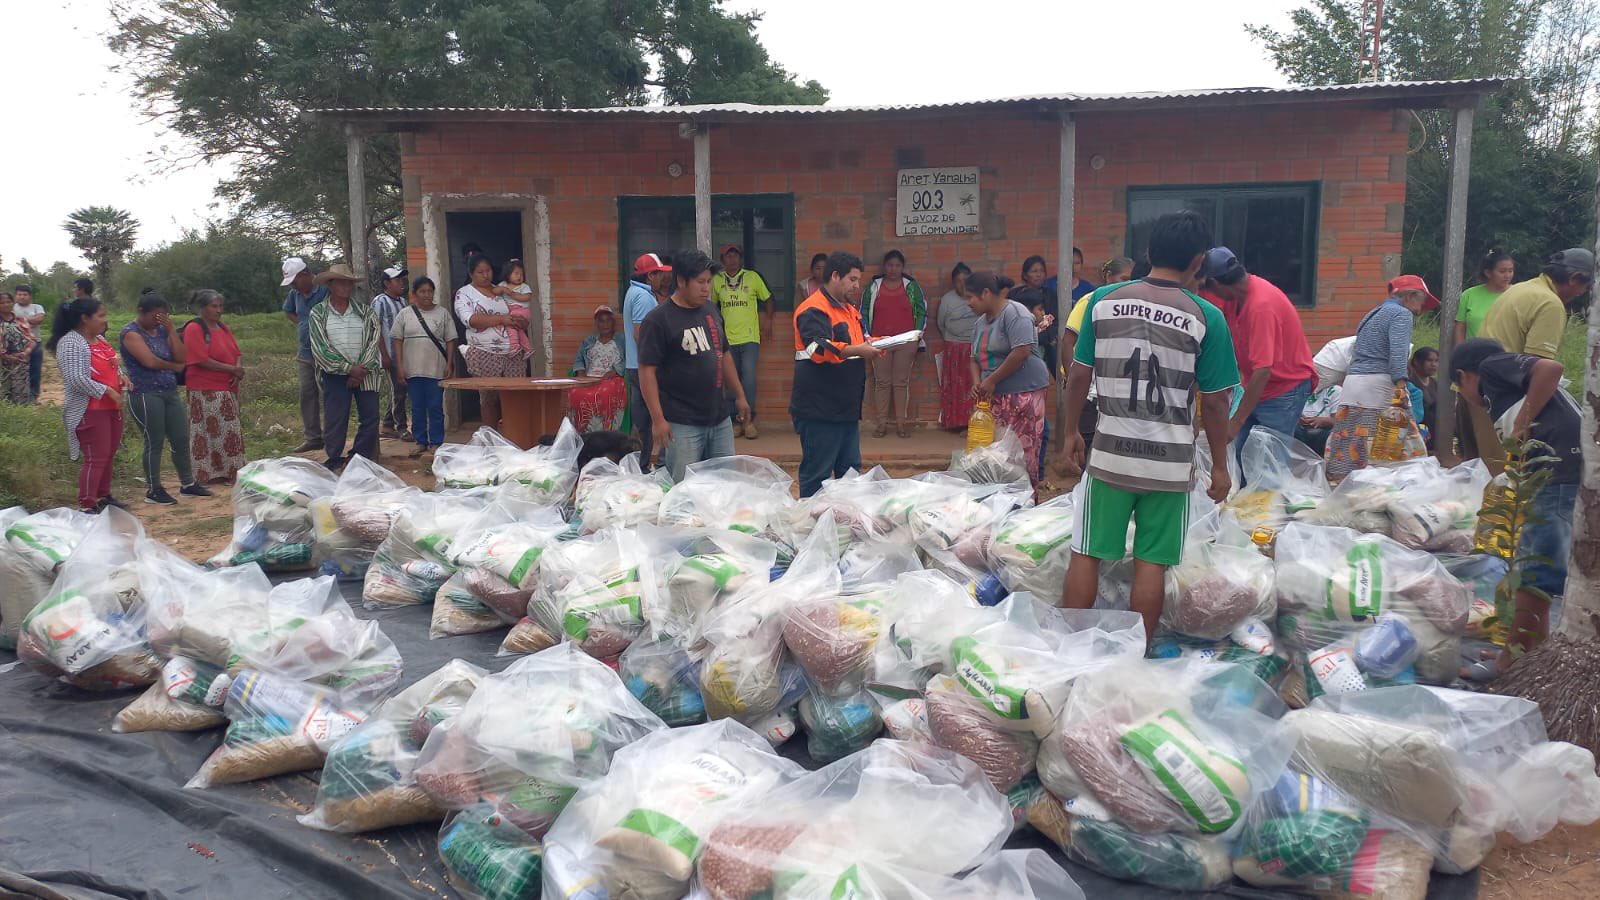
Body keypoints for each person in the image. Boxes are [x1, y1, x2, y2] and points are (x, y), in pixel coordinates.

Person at [1059, 210, 1239, 643]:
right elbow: (1214, 402)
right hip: (1169, 465)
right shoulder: (1206, 317)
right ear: (1198, 261)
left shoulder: (1103, 300)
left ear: (1149, 251)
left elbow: (1078, 375)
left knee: (1086, 553)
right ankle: (1135, 652)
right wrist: (1219, 465)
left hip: (1109, 455)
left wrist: (1068, 434)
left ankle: (1063, 647)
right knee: (1151, 564)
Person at [1450, 337, 1583, 682]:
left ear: (1466, 376)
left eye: (1458, 386)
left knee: (1534, 571)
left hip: (1559, 474)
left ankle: (1510, 662)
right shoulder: (1506, 388)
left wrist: (1523, 421)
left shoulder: (1492, 368)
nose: (1465, 396)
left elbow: (1551, 367)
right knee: (1535, 565)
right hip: (1558, 474)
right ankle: (1528, 650)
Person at [637, 249, 750, 482]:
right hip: (682, 423)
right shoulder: (658, 320)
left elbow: (724, 354)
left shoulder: (711, 310)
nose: (706, 288)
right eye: (700, 282)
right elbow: (647, 371)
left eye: (709, 282)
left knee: (724, 484)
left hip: (719, 419)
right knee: (684, 490)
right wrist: (658, 420)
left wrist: (739, 395)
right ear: (681, 281)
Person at [1197, 247, 1317, 465]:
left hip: (1283, 389)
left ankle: (1269, 498)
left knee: (1268, 462)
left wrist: (1236, 421)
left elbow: (1263, 370)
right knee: (1243, 456)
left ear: (1215, 284)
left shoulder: (1261, 306)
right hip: (1255, 386)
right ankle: (1246, 498)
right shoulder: (1236, 297)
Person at [1324, 275, 1437, 480]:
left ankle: (1342, 485)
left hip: (1354, 384)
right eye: (1421, 302)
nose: (1420, 310)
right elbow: (1398, 353)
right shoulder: (1401, 314)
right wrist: (1401, 386)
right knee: (1388, 445)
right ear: (1411, 296)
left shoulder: (1372, 313)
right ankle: (1390, 488)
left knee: (1351, 442)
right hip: (1378, 385)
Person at [792, 251, 879, 498]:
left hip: (846, 408)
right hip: (819, 409)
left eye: (858, 280)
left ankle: (845, 524)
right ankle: (811, 528)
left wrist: (881, 344)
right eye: (852, 279)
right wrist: (859, 349)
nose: (856, 285)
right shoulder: (812, 309)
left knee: (850, 472)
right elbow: (817, 348)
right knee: (817, 475)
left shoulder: (850, 310)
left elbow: (860, 342)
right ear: (835, 276)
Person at [967, 271, 1054, 490]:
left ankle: (1022, 509)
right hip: (994, 397)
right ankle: (998, 506)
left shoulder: (1016, 314)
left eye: (971, 297)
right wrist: (978, 383)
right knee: (993, 458)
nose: (968, 303)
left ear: (986, 293)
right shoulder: (979, 323)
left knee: (1021, 458)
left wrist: (992, 380)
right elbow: (974, 358)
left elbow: (1021, 352)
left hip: (1023, 395)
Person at [120, 291, 209, 503]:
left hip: (168, 391)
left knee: (180, 437)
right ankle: (154, 488)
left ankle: (187, 483)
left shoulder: (162, 331)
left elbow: (182, 357)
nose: (158, 320)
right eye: (155, 316)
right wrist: (173, 366)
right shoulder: (130, 333)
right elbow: (149, 361)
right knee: (154, 440)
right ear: (142, 312)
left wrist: (170, 331)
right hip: (145, 393)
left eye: (163, 316)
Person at [50, 297, 126, 512]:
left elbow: (112, 363)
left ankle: (104, 496)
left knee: (108, 453)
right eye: (100, 316)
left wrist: (121, 377)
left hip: (111, 407)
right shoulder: (70, 343)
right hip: (89, 410)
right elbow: (75, 379)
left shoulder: (100, 339)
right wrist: (108, 390)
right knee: (96, 457)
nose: (105, 320)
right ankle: (87, 503)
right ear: (85, 318)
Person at [310, 264, 383, 470]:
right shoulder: (319, 313)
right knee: (335, 419)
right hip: (334, 374)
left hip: (365, 373)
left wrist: (358, 370)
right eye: (340, 282)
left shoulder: (365, 312)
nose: (345, 286)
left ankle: (356, 458)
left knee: (370, 418)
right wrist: (348, 369)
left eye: (348, 283)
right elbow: (320, 348)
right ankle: (333, 458)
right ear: (330, 285)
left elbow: (372, 341)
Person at [454, 254, 527, 431]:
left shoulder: (503, 291)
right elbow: (470, 320)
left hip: (512, 351)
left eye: (488, 271)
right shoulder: (464, 294)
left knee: (514, 397)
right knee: (489, 397)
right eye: (481, 272)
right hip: (484, 352)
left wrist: (520, 321)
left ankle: (514, 437)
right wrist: (502, 319)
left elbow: (522, 315)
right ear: (471, 274)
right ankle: (491, 438)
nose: (486, 275)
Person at [182, 289, 247, 484]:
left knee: (229, 430)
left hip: (226, 385)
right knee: (207, 431)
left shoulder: (223, 327)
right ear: (203, 308)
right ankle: (209, 473)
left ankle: (230, 471)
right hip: (205, 387)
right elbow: (200, 359)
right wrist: (231, 370)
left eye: (220, 306)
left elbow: (237, 352)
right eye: (214, 306)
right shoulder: (194, 328)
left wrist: (237, 369)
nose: (219, 310)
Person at [860, 250, 926, 438]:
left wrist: (917, 335)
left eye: (897, 265)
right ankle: (881, 424)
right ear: (884, 267)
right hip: (880, 342)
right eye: (890, 265)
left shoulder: (911, 286)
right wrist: (868, 336)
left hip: (906, 341)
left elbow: (922, 311)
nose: (893, 269)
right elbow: (863, 311)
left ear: (902, 267)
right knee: (882, 382)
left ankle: (900, 424)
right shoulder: (874, 286)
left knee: (901, 382)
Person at [390, 275, 458, 457]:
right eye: (423, 291)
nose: (427, 295)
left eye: (430, 291)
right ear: (414, 294)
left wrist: (449, 363)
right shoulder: (404, 314)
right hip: (412, 370)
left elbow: (451, 340)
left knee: (435, 406)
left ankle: (436, 442)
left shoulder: (442, 313)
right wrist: (399, 366)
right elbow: (397, 340)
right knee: (417, 407)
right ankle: (421, 441)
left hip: (435, 369)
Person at [1483, 247, 1593, 359]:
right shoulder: (1550, 304)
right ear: (1574, 278)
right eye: (1586, 287)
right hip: (1500, 374)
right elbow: (1537, 366)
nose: (1582, 292)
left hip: (1480, 370)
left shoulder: (1521, 287)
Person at [712, 244, 772, 440]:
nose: (732, 260)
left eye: (735, 256)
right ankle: (735, 421)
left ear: (740, 258)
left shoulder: (752, 277)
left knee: (748, 379)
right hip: (726, 339)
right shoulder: (717, 280)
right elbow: (710, 306)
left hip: (749, 338)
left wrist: (768, 321)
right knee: (730, 380)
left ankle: (749, 420)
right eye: (728, 256)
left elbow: (768, 299)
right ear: (722, 260)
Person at [623, 252, 673, 470]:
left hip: (635, 366)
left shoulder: (634, 292)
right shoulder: (643, 297)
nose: (664, 278)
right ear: (650, 275)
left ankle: (641, 466)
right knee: (658, 418)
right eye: (660, 274)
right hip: (646, 368)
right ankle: (658, 466)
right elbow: (640, 334)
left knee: (642, 422)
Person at [280, 257, 328, 452]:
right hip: (306, 353)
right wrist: (302, 323)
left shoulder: (325, 290)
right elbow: (288, 311)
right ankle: (313, 437)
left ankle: (332, 435)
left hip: (326, 353)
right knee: (307, 394)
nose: (292, 285)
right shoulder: (295, 294)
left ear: (306, 275)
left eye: (294, 280)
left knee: (329, 394)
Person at [925, 262, 978, 429]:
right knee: (956, 387)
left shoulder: (977, 296)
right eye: (958, 281)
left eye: (965, 280)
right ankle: (956, 423)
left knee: (974, 386)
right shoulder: (947, 300)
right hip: (954, 349)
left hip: (975, 349)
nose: (962, 284)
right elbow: (941, 324)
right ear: (953, 283)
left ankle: (973, 423)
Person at [568, 306, 628, 433]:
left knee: (604, 392)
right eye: (601, 321)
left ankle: (605, 431)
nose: (605, 324)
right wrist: (581, 372)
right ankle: (581, 432)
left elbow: (630, 359)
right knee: (575, 392)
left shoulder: (622, 340)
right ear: (596, 324)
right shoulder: (589, 340)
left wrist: (616, 371)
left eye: (608, 320)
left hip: (612, 378)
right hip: (590, 377)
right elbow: (579, 359)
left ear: (613, 323)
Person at [372, 264, 410, 440]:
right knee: (398, 389)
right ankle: (401, 427)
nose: (401, 282)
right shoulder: (380, 302)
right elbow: (376, 329)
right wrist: (384, 355)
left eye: (401, 279)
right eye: (397, 280)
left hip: (403, 354)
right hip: (390, 354)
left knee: (399, 389)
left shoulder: (402, 302)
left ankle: (388, 425)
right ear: (387, 283)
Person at [1457, 248, 1515, 343]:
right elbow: (1460, 328)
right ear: (1488, 273)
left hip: (1507, 354)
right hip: (1475, 354)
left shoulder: (1518, 294)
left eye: (1510, 271)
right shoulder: (1469, 295)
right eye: (1502, 271)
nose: (1507, 276)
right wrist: (1460, 353)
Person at [1019, 256, 1060, 376]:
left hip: (1048, 340)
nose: (1038, 275)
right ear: (1025, 275)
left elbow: (1055, 320)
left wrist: (1048, 337)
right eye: (1034, 271)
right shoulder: (1016, 295)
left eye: (1041, 271)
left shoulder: (1050, 294)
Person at [496, 258, 535, 371]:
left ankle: (514, 345)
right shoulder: (503, 285)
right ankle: (527, 348)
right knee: (518, 329)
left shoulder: (524, 286)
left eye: (521, 274)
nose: (519, 276)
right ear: (508, 274)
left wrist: (514, 295)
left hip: (521, 311)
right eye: (516, 273)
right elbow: (494, 291)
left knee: (509, 322)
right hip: (512, 311)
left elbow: (527, 297)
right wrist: (503, 289)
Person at [0, 291, 37, 404]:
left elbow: (32, 339)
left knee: (21, 395)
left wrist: (26, 352)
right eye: (2, 302)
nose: (6, 304)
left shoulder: (20, 320)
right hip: (2, 364)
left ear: (13, 303)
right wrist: (6, 356)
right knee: (3, 396)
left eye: (8, 302)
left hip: (20, 363)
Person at [13, 284, 44, 401]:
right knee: (18, 371)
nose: (22, 297)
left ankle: (33, 397)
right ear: (16, 296)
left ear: (30, 296)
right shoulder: (11, 307)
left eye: (25, 294)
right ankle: (19, 397)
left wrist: (18, 320)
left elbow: (40, 319)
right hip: (17, 345)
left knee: (35, 371)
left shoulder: (37, 307)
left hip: (36, 343)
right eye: (19, 294)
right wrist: (30, 321)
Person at [1296, 382, 1344, 455]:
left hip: (1324, 431)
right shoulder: (1297, 388)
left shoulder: (1335, 390)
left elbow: (1339, 421)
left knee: (1333, 434)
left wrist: (1323, 421)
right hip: (1300, 429)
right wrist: (1296, 418)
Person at [1407, 346, 1439, 447]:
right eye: (1429, 360)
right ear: (1417, 362)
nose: (1433, 365)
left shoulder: (1435, 384)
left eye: (1436, 361)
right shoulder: (1410, 383)